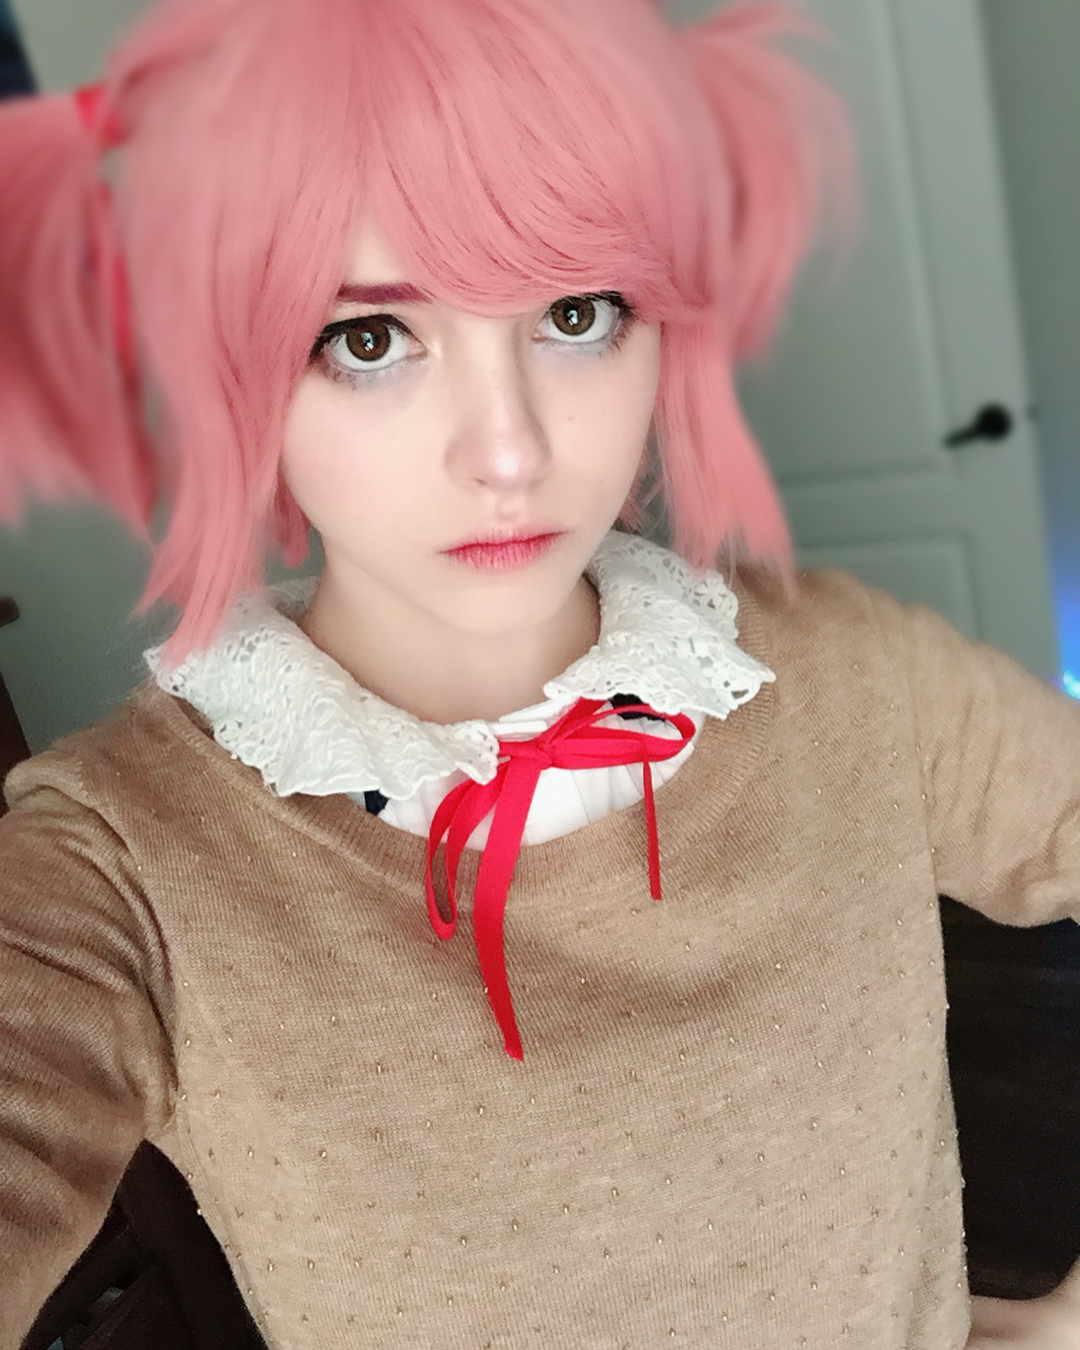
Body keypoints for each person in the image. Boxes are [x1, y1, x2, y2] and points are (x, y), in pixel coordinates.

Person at [0, 0, 1078, 1346]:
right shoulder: (123, 862)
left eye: (575, 312)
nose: (508, 452)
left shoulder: (863, 677)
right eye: (369, 340)